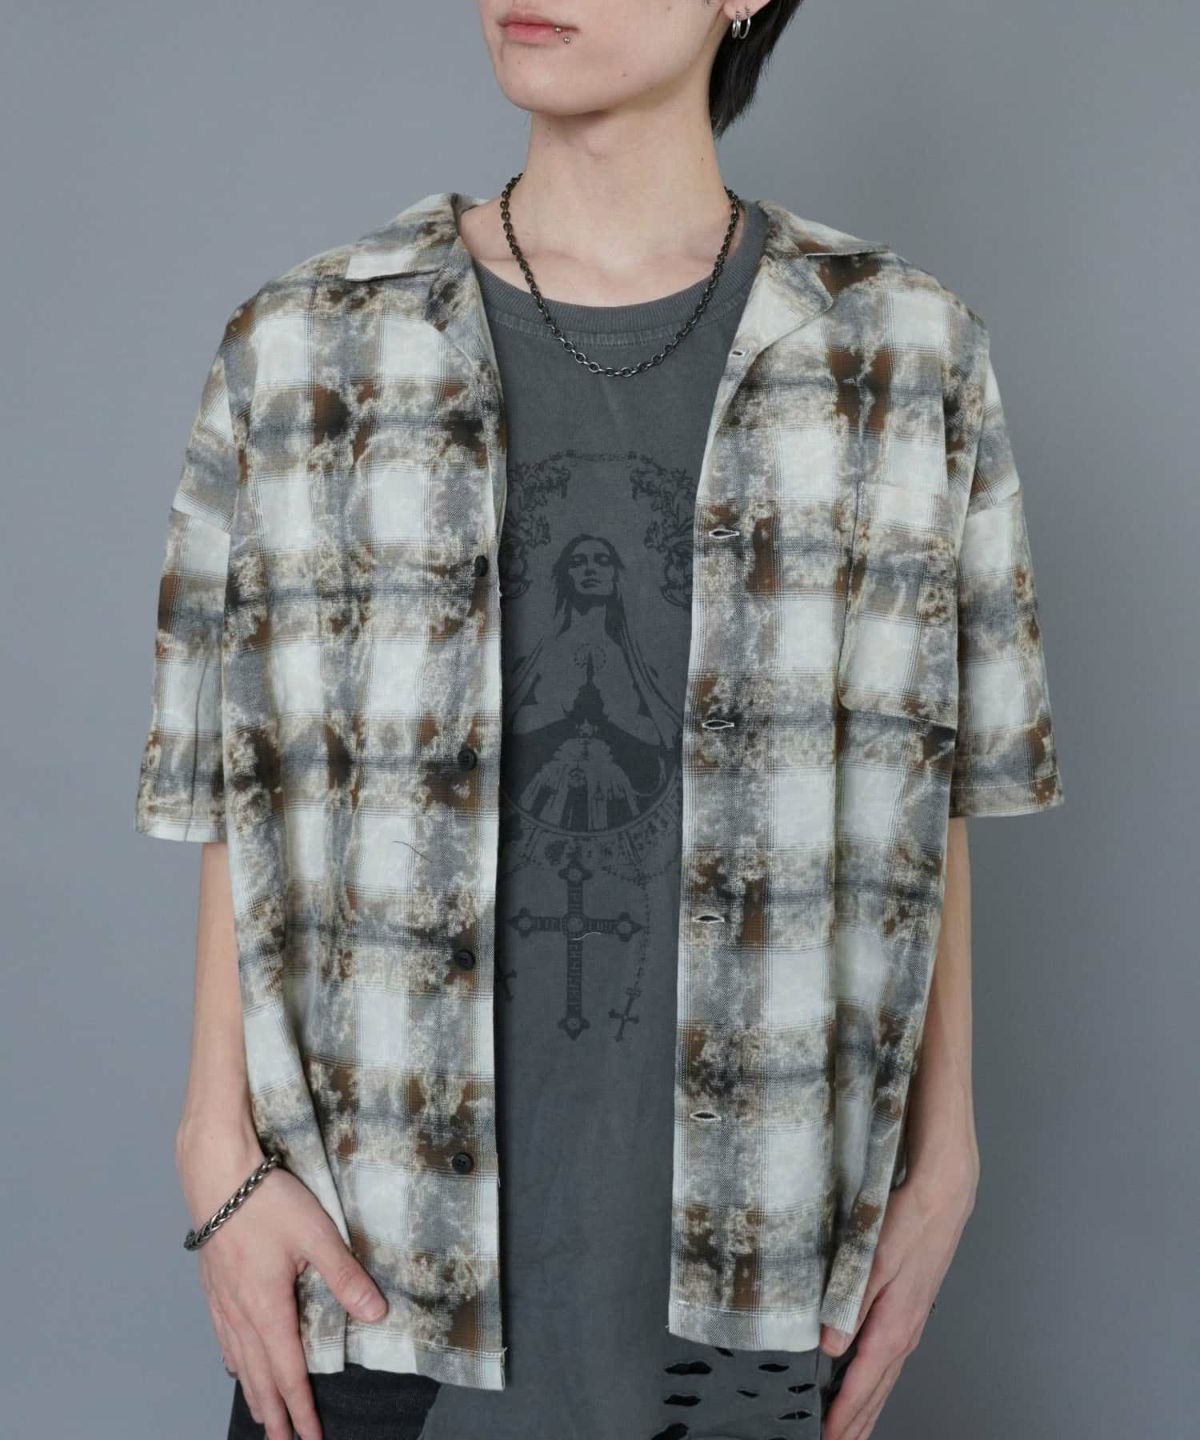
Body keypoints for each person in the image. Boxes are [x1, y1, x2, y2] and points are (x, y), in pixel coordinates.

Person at [134, 4, 1066, 1439]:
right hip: (372, 1248)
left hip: (760, 1255)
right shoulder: (308, 345)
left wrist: (946, 1161)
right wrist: (215, 1147)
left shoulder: (903, 354)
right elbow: (234, 785)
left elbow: (936, 791)